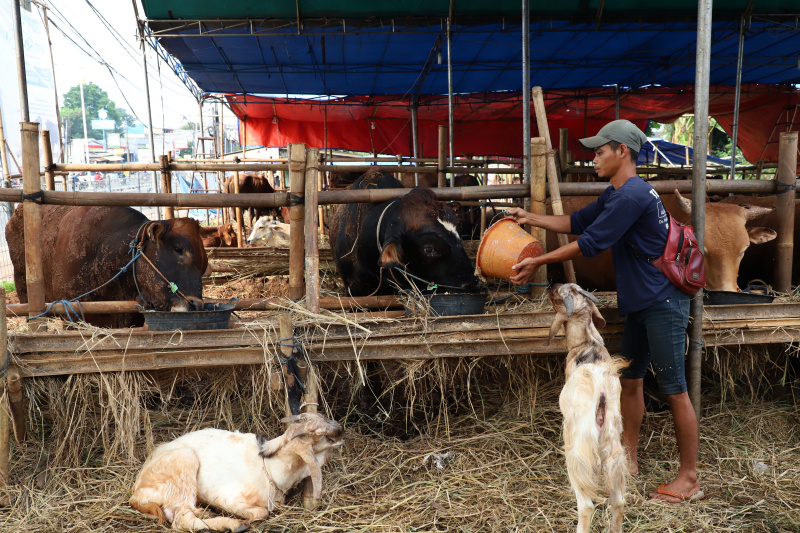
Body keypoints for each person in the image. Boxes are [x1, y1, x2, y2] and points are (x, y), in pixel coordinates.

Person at [507, 119, 702, 503]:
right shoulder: (615, 194)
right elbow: (576, 223)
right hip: (643, 303)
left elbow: (591, 243)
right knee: (629, 381)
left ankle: (690, 479)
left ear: (622, 152)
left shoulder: (632, 196)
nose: (593, 158)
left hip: (663, 302)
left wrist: (538, 261)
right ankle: (625, 456)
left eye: (599, 152)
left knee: (674, 390)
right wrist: (531, 219)